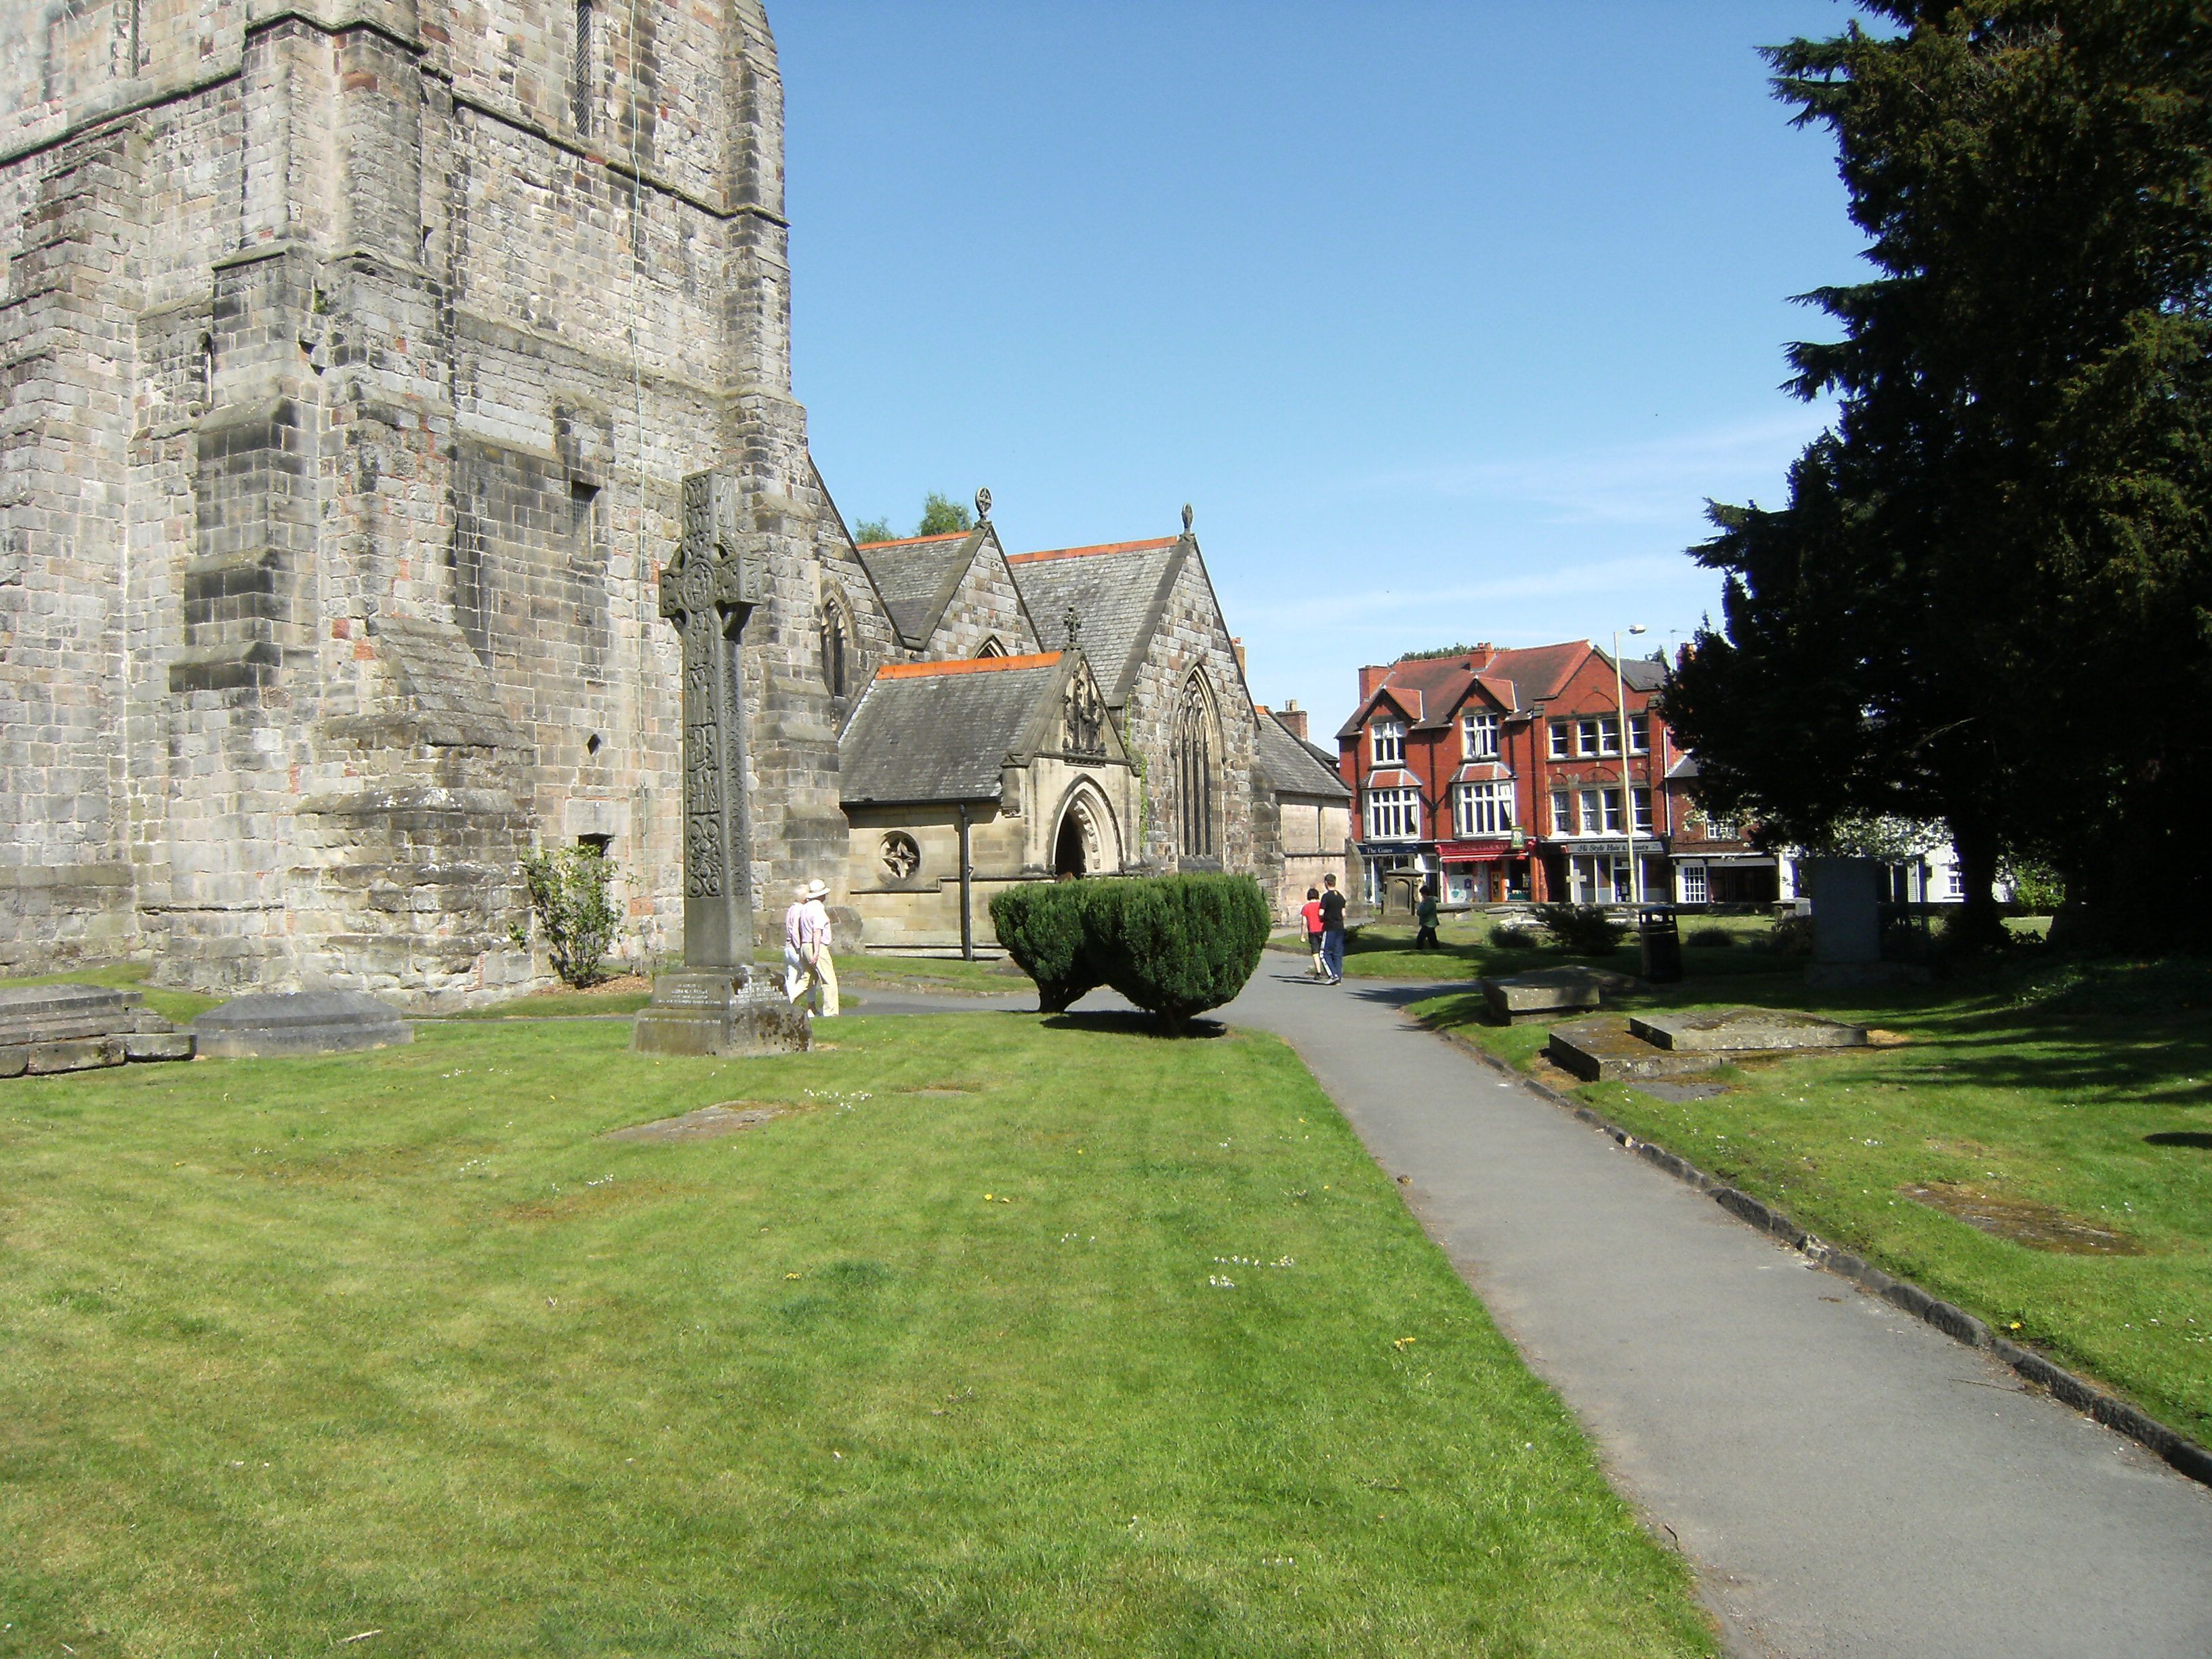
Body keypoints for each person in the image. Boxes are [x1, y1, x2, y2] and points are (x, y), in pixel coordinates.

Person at [789, 878, 840, 1017]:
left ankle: (786, 1001)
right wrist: (817, 951)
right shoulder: (818, 908)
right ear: (821, 895)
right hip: (815, 946)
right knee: (828, 979)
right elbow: (817, 931)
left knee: (807, 978)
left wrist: (801, 948)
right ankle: (831, 1012)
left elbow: (798, 929)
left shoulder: (804, 908)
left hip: (805, 945)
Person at [1317, 872, 1347, 985]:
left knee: (1324, 953)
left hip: (1329, 927)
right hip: (1340, 926)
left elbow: (1321, 912)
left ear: (1326, 883)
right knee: (1337, 953)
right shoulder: (1341, 897)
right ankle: (1338, 977)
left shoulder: (1326, 897)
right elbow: (1344, 914)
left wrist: (1322, 917)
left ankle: (1333, 975)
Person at [1299, 886, 1325, 977]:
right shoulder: (1321, 905)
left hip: (1312, 931)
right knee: (1324, 951)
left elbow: (1304, 923)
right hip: (1322, 930)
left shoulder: (1306, 908)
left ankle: (1318, 972)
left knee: (1315, 953)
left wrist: (1303, 935)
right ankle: (1328, 970)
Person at [1415, 885, 1440, 950]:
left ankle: (1419, 949)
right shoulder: (1428, 901)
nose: (1422, 896)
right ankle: (1436, 948)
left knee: (1420, 938)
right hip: (1429, 923)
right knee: (1432, 938)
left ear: (1425, 893)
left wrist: (1419, 911)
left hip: (1428, 923)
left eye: (1422, 894)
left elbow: (1424, 911)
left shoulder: (1429, 901)